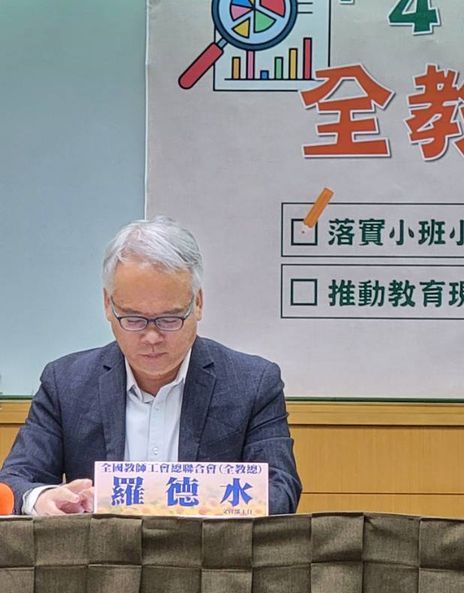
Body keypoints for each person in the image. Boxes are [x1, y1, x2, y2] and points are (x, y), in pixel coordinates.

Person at [0, 217, 302, 515]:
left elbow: (280, 490)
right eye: (134, 319)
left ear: (197, 303)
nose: (152, 337)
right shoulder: (66, 383)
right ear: (107, 304)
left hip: (206, 548)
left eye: (170, 319)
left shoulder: (252, 383)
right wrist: (40, 498)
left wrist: (169, 499)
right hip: (104, 549)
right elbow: (14, 481)